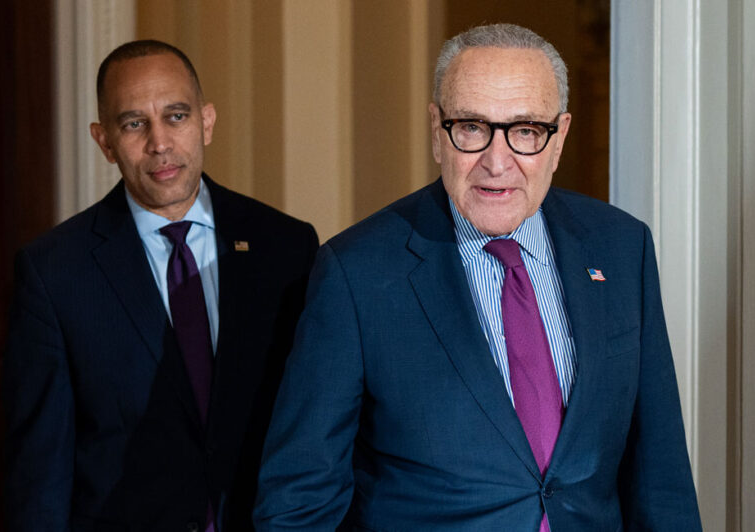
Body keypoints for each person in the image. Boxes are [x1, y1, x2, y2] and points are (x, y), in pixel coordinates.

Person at [253, 24, 701, 530]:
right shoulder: (356, 274)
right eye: (471, 127)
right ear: (437, 130)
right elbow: (298, 503)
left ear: (560, 138)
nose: (496, 160)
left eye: (526, 131)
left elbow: (662, 479)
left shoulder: (621, 248)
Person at [4, 40, 318, 532]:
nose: (159, 143)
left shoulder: (287, 247)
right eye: (134, 124)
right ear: (104, 140)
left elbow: (317, 426)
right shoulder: (54, 272)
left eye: (176, 116)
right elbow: (40, 469)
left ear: (206, 121)